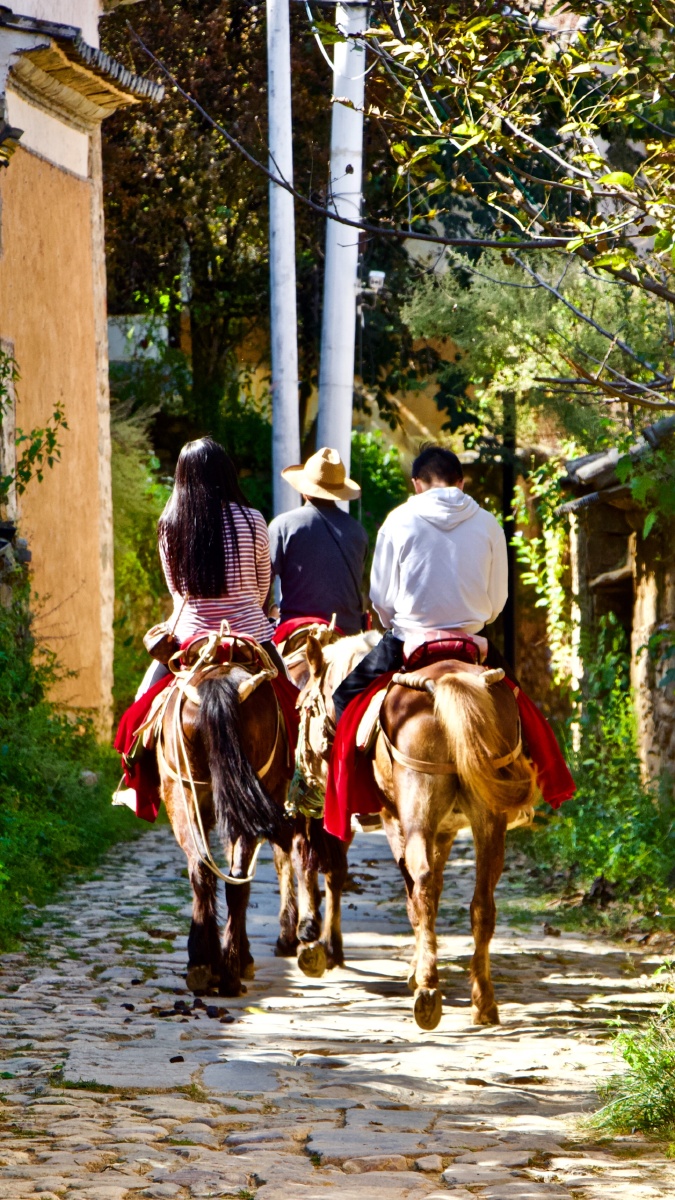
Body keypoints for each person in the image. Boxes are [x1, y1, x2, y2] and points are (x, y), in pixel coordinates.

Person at [333, 444, 507, 719]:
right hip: (472, 641)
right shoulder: (489, 525)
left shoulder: (396, 522)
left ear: (416, 484)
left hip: (408, 640)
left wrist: (396, 623)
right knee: (522, 711)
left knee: (343, 699)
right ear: (461, 483)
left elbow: (381, 598)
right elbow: (497, 602)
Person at [137, 436, 282, 697]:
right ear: (225, 472)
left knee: (140, 707)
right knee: (293, 701)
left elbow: (176, 592)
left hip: (189, 635)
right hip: (250, 632)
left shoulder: (169, 524)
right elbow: (261, 590)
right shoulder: (253, 519)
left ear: (182, 477)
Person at [268, 446, 369, 636]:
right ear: (338, 492)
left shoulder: (282, 525)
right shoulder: (358, 532)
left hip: (298, 631)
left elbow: (264, 584)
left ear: (304, 490)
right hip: (349, 634)